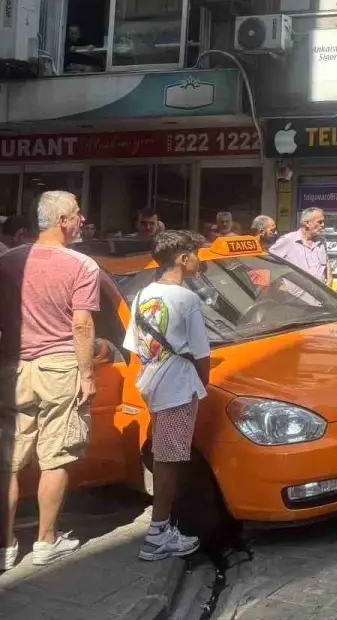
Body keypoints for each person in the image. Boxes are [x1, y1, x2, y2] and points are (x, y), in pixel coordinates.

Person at [0, 192, 98, 569]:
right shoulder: (82, 265)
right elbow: (82, 324)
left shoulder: (7, 262)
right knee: (55, 457)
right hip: (60, 368)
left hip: (13, 366)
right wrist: (87, 375)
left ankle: (5, 545)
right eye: (77, 214)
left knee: (7, 459)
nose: (82, 219)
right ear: (61, 220)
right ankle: (45, 541)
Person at [123, 230, 211, 561]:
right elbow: (202, 355)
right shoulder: (187, 299)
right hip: (177, 387)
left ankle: (162, 527)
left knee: (166, 456)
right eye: (196, 254)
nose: (199, 260)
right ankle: (158, 534)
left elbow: (134, 348)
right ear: (182, 258)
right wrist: (203, 386)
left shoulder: (143, 293)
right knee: (169, 460)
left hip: (154, 384)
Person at [270, 208, 331, 285]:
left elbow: (326, 260)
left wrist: (330, 278)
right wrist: (279, 284)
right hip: (297, 295)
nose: (323, 225)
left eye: (323, 222)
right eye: (320, 222)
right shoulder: (288, 240)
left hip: (319, 293)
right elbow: (269, 262)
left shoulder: (322, 240)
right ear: (307, 223)